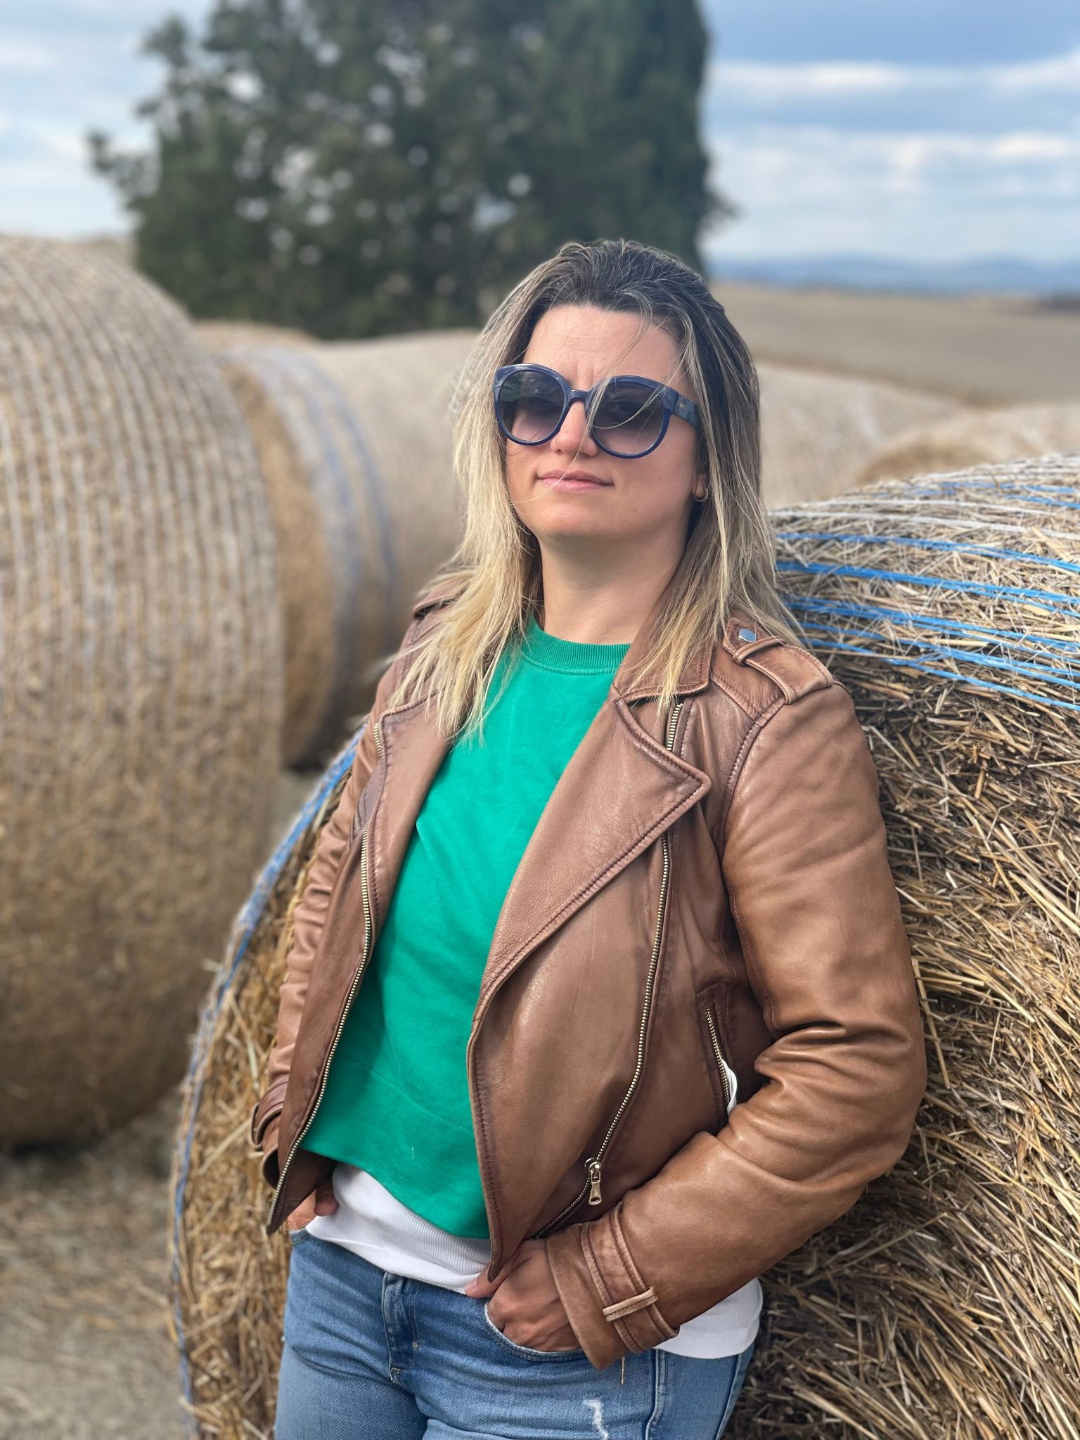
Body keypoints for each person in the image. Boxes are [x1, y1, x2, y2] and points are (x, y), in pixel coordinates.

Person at [250, 238, 927, 1440]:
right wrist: (282, 1118)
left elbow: (856, 1067)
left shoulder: (765, 719)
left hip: (573, 1362)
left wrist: (613, 1277)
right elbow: (335, 895)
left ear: (708, 460)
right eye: (535, 398)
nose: (570, 435)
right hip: (347, 1281)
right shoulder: (444, 645)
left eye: (629, 410)